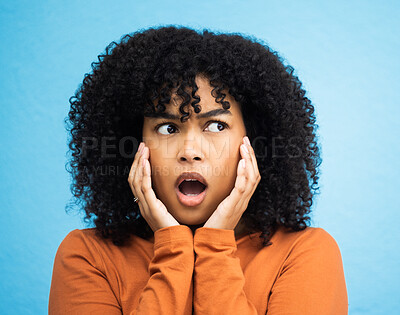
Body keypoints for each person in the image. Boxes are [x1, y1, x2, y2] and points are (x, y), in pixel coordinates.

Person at [48, 25, 348, 314]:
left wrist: (216, 247)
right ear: (134, 145)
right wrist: (172, 249)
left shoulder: (305, 253)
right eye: (167, 128)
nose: (190, 151)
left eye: (216, 126)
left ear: (255, 141)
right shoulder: (88, 255)